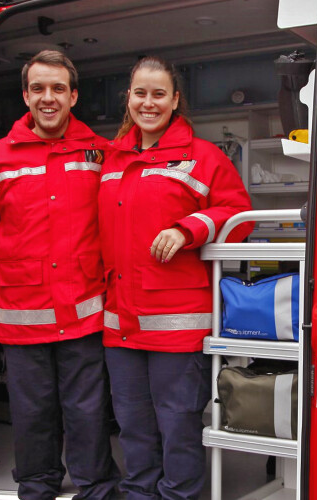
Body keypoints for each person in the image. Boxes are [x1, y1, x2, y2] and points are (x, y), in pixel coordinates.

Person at [0, 50, 121, 500]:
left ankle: (96, 487)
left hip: (83, 310)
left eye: (57, 89)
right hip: (21, 313)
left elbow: (120, 214)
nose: (47, 98)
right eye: (37, 88)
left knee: (87, 409)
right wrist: (5, 269)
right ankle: (36, 486)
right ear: (25, 96)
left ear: (73, 95)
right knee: (32, 412)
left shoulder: (101, 154)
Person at [98, 56, 253, 500]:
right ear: (128, 98)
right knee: (131, 423)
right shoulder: (111, 159)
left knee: (177, 421)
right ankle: (139, 493)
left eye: (159, 94)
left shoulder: (202, 157)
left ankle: (179, 495)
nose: (149, 103)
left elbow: (239, 216)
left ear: (175, 100)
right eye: (140, 93)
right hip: (120, 323)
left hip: (176, 323)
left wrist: (188, 227)